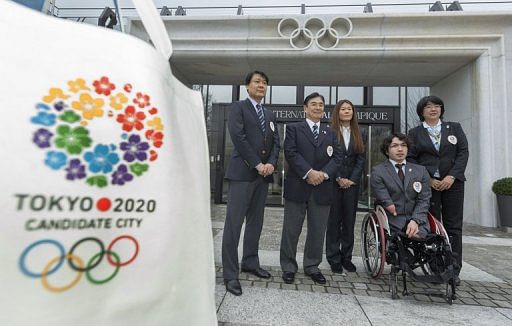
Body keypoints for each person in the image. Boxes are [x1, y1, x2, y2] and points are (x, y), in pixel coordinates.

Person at [222, 70, 280, 296]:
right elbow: (239, 137)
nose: (261, 86)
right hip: (243, 174)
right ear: (247, 86)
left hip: (263, 176)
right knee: (233, 225)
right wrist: (257, 163)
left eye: (265, 83)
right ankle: (230, 273)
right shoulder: (238, 107)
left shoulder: (270, 114)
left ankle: (250, 262)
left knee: (256, 223)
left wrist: (272, 164)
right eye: (257, 82)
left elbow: (276, 142)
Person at [280, 92, 342, 285]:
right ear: (305, 108)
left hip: (322, 188)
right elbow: (290, 152)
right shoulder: (293, 128)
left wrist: (322, 175)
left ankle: (312, 266)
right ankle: (289, 267)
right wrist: (308, 172)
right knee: (291, 230)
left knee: (317, 230)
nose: (317, 107)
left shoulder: (331, 133)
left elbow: (338, 158)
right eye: (313, 104)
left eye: (321, 105)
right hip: (298, 186)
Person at [407, 95, 469, 282]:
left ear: (441, 109)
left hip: (453, 184)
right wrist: (428, 179)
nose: (433, 109)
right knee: (433, 226)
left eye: (437, 106)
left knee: (453, 227)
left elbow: (463, 153)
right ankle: (436, 266)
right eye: (428, 107)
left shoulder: (454, 128)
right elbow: (411, 159)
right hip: (429, 186)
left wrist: (451, 176)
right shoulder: (415, 133)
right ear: (422, 111)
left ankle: (453, 269)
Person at [325, 100, 365, 274]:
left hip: (352, 184)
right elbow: (328, 157)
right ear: (337, 112)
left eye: (350, 109)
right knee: (333, 221)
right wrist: (338, 177)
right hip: (333, 181)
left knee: (349, 221)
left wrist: (352, 179)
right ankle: (333, 258)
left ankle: (346, 257)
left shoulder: (359, 132)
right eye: (343, 108)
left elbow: (361, 159)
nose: (347, 111)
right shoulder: (329, 131)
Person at [371, 133, 431, 239]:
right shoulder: (378, 171)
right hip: (393, 219)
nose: (400, 149)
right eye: (395, 146)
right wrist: (390, 206)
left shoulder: (421, 171)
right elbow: (383, 197)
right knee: (402, 239)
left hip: (417, 218)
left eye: (403, 145)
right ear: (386, 151)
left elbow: (424, 199)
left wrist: (415, 220)